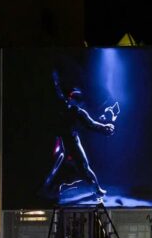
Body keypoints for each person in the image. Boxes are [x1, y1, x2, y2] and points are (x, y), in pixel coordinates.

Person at [41, 70, 116, 202]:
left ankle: (95, 189)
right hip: (70, 144)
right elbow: (92, 124)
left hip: (72, 142)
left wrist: (105, 127)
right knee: (81, 168)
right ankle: (94, 190)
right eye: (72, 98)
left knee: (82, 168)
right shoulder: (69, 109)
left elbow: (92, 124)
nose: (71, 99)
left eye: (74, 98)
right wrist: (55, 81)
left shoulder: (76, 111)